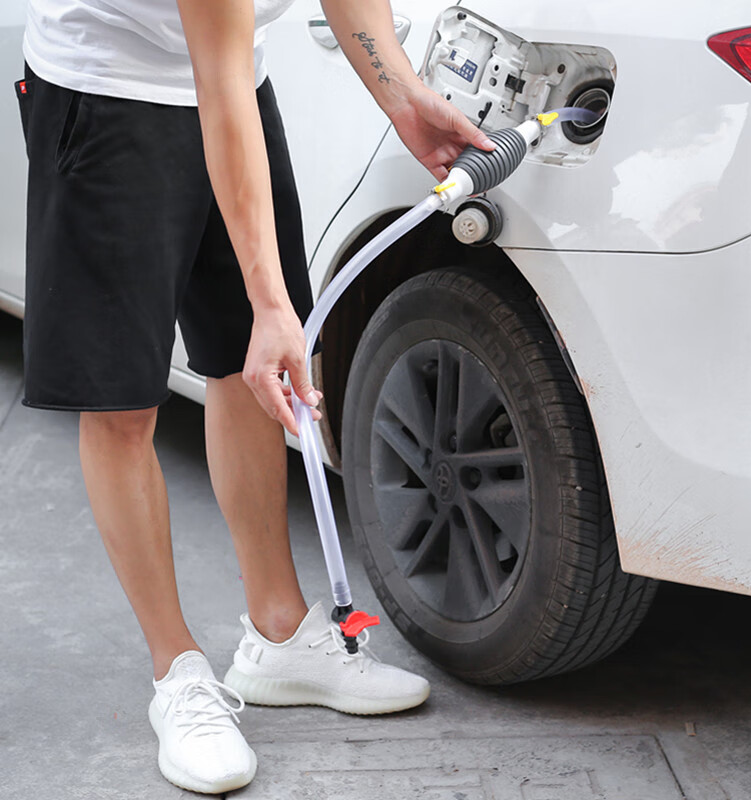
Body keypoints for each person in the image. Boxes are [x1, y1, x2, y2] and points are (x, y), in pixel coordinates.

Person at [16, 0, 494, 793]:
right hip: (106, 91)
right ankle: (179, 674)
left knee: (252, 364)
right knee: (123, 399)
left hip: (236, 78)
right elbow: (217, 82)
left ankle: (279, 633)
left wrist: (403, 95)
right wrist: (272, 304)